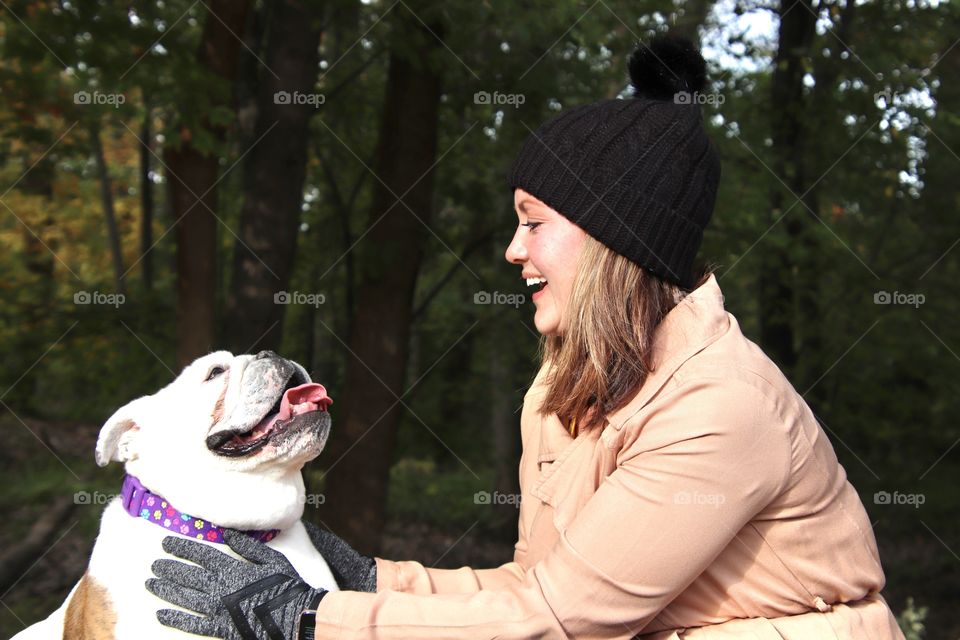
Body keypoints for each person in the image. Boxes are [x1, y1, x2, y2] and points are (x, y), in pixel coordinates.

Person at [146, 35, 905, 639]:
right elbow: (530, 593)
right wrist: (371, 580)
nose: (513, 248)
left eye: (533, 220)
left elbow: (560, 620)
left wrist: (312, 620)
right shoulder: (563, 389)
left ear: (615, 240)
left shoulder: (721, 404)